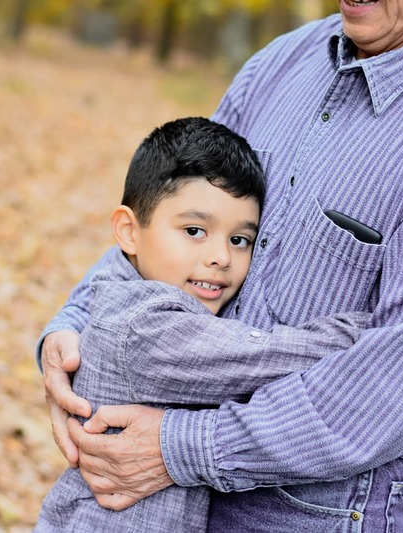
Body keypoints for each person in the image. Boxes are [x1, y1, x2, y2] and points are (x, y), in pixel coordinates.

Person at [38, 0, 403, 530]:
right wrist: (71, 326)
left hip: (310, 511)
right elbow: (168, 209)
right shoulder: (286, 59)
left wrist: (179, 448)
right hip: (164, 494)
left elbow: (396, 393)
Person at [35, 117, 366, 532]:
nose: (221, 257)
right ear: (128, 231)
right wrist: (367, 333)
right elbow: (261, 355)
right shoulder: (148, 328)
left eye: (239, 239)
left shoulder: (128, 292)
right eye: (194, 230)